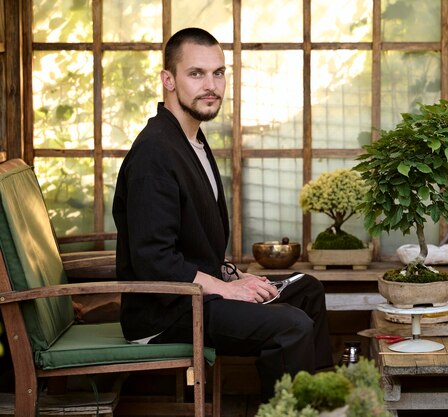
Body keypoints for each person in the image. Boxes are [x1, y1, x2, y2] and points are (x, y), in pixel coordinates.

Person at [112, 27, 333, 401]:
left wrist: (233, 274)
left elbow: (192, 243)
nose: (210, 85)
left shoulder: (192, 139)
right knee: (290, 325)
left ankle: (322, 401)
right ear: (168, 79)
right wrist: (226, 288)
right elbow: (153, 259)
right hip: (166, 312)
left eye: (218, 72)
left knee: (306, 292)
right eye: (196, 74)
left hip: (199, 295)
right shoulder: (154, 153)